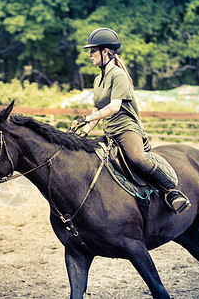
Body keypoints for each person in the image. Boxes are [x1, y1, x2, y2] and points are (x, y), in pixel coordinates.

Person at [72, 28, 191, 214]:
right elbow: (96, 110)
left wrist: (85, 119)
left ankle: (172, 192)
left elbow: (113, 107)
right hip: (110, 132)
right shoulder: (97, 80)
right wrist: (83, 132)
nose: (89, 54)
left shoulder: (118, 75)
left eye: (93, 50)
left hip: (126, 129)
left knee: (137, 158)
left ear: (106, 52)